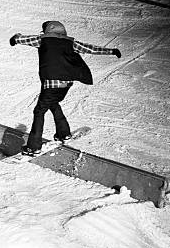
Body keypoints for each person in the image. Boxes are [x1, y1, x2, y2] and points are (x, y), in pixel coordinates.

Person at [8, 21, 121, 156]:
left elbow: (23, 39)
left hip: (51, 84)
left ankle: (33, 146)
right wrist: (111, 51)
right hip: (66, 85)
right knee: (53, 103)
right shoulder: (70, 43)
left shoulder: (43, 40)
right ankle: (63, 133)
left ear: (48, 31)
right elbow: (90, 49)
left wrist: (15, 38)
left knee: (39, 111)